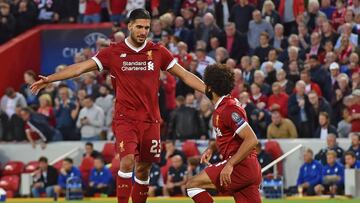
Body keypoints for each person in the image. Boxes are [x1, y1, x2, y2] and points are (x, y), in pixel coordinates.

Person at [30, 9, 205, 203]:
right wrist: (51, 79)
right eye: (139, 26)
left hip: (151, 120)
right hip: (125, 119)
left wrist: (209, 90)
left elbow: (185, 75)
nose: (143, 31)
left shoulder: (158, 51)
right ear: (129, 26)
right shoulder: (113, 52)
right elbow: (81, 68)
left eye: (146, 27)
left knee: (143, 168)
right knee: (128, 161)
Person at [186, 64, 261, 203]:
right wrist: (212, 148)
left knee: (192, 185)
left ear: (209, 88)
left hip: (240, 167)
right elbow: (229, 135)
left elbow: (251, 139)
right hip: (248, 168)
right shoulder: (225, 105)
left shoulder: (229, 109)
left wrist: (230, 165)